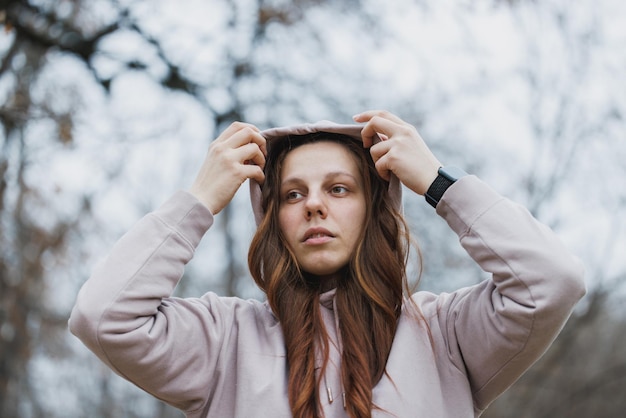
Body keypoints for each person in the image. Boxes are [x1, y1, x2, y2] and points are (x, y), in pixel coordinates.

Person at [69, 110, 586, 418]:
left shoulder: (446, 335)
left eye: (338, 188)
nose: (314, 204)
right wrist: (199, 200)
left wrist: (436, 182)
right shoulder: (223, 340)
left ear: (375, 207)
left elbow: (551, 281)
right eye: (293, 194)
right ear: (274, 220)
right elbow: (104, 316)